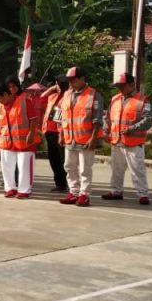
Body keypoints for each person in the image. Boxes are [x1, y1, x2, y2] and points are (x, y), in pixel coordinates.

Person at [101, 73, 152, 205]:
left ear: (131, 85)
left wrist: (133, 128)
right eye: (118, 86)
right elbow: (107, 117)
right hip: (116, 141)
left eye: (122, 86)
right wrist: (106, 130)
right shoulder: (115, 99)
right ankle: (116, 192)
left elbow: (149, 119)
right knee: (116, 170)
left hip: (134, 143)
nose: (120, 89)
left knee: (137, 170)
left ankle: (143, 194)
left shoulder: (143, 100)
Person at [55, 67, 104, 207]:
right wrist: (61, 134)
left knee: (84, 169)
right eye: (69, 80)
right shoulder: (66, 94)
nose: (71, 83)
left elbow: (97, 120)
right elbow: (60, 116)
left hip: (86, 140)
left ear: (82, 79)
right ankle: (73, 192)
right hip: (69, 139)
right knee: (69, 167)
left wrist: (93, 138)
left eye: (74, 80)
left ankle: (84, 194)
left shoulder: (94, 95)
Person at [0, 81, 40, 199]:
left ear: (5, 94)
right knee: (6, 167)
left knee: (24, 167)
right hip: (6, 142)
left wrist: (31, 134)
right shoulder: (0, 106)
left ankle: (24, 190)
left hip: (25, 142)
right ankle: (10, 188)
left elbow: (34, 119)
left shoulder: (25, 102)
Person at [39, 76, 70, 192]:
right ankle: (60, 183)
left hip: (61, 132)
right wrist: (50, 89)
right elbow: (41, 100)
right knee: (54, 159)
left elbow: (61, 115)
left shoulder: (69, 96)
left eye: (57, 84)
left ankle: (68, 183)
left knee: (64, 160)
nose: (56, 86)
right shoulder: (53, 96)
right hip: (49, 130)